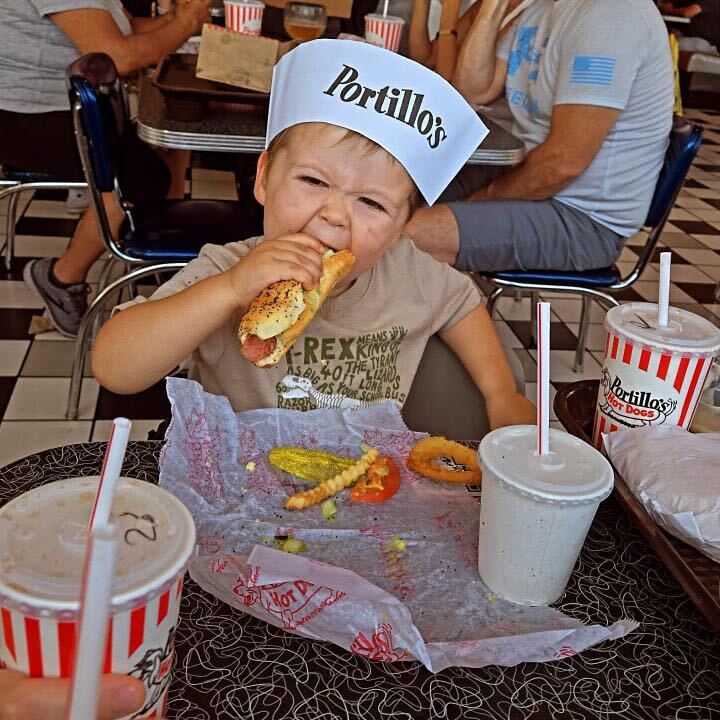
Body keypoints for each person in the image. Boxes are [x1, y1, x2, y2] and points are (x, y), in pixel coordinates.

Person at [405, 0, 675, 273]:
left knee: (400, 234)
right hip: (523, 176)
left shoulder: (613, 15)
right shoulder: (540, 7)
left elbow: (564, 164)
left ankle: (420, 313)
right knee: (388, 196)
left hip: (584, 218)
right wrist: (491, 7)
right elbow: (472, 90)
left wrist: (479, 200)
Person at [0, 0, 210, 337]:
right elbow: (119, 55)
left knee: (159, 147)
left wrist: (178, 18)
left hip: (57, 110)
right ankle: (61, 279)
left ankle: (161, 266)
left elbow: (125, 30)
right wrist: (185, 24)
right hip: (27, 119)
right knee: (143, 176)